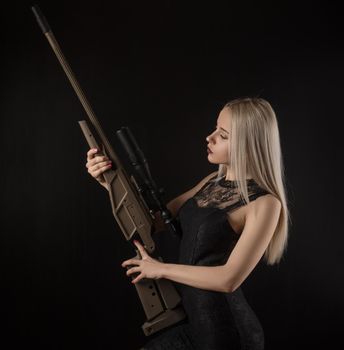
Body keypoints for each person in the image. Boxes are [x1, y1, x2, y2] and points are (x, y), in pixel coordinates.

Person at [85, 97, 290, 349]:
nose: (209, 137)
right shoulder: (210, 183)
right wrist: (109, 182)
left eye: (223, 135)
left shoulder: (265, 204)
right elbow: (154, 222)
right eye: (215, 128)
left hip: (230, 337)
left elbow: (229, 279)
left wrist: (160, 269)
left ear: (249, 144)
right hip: (197, 330)